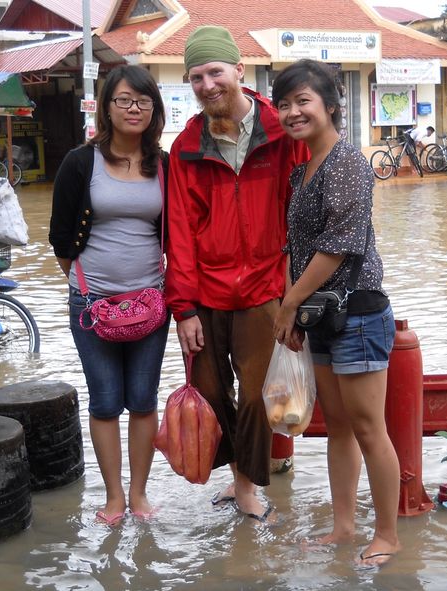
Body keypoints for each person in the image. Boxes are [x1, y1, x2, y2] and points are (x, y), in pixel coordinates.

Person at [165, 26, 308, 522]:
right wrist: (182, 308)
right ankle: (235, 476)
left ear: (239, 71)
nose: (206, 84)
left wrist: (296, 292)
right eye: (196, 76)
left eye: (215, 72)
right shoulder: (186, 147)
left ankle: (247, 486)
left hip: (265, 288)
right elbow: (179, 232)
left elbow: (301, 211)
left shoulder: (280, 132)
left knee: (254, 396)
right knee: (209, 393)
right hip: (204, 291)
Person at [271, 59, 400, 567]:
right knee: (339, 428)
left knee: (370, 428)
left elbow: (339, 248)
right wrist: (293, 314)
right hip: (318, 317)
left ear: (330, 105)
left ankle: (387, 534)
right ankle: (344, 527)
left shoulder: (347, 162)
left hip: (359, 315)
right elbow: (294, 247)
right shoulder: (303, 169)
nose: (292, 112)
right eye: (283, 104)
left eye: (302, 101)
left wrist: (288, 304)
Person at [49, 65, 169, 526]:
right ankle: (114, 497)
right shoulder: (81, 162)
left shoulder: (164, 164)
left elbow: (176, 233)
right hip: (92, 305)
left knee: (142, 400)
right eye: (124, 100)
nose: (133, 108)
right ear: (108, 106)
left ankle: (139, 495)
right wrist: (88, 287)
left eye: (142, 101)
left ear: (153, 109)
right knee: (104, 402)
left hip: (151, 304)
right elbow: (61, 239)